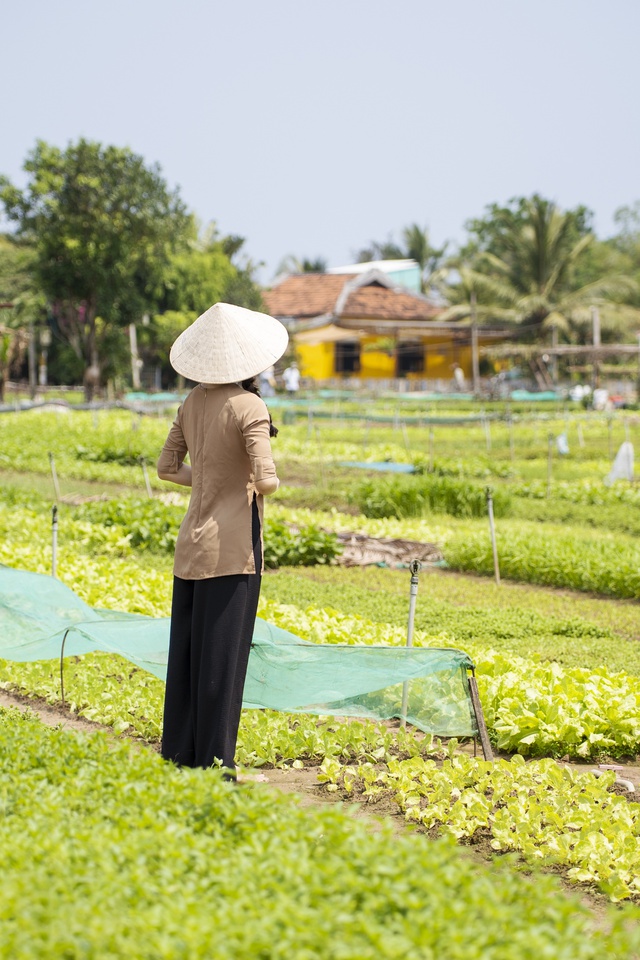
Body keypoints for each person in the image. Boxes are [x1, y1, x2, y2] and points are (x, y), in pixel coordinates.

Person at [157, 301, 288, 777]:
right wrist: (249, 483)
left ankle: (179, 755)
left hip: (191, 545)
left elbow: (167, 468)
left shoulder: (192, 402)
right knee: (223, 660)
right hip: (233, 549)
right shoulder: (250, 405)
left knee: (188, 655)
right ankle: (218, 764)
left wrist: (212, 478)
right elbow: (267, 479)